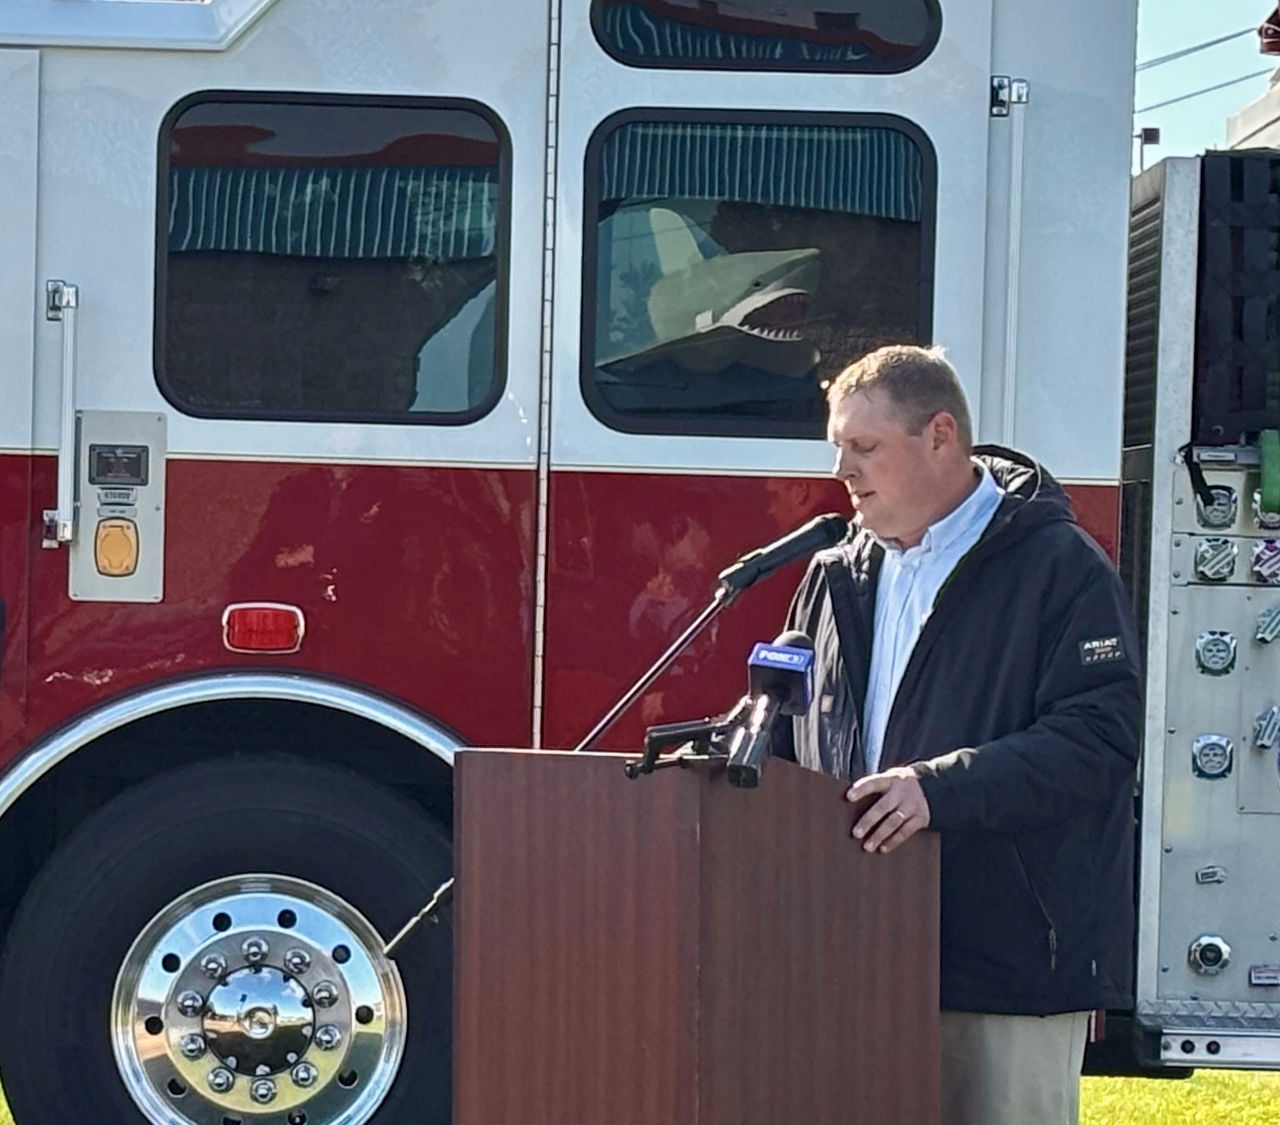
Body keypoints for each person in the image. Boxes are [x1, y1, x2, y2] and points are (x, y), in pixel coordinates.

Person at [779, 344, 1140, 1125]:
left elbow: (1098, 740)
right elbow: (790, 732)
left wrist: (935, 790)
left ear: (941, 434)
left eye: (865, 447)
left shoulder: (1058, 566)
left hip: (1000, 971)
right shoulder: (836, 573)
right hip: (853, 961)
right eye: (838, 448)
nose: (843, 469)